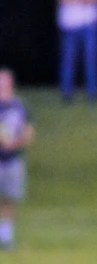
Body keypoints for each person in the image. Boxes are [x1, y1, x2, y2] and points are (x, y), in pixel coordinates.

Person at [0, 69, 34, 250]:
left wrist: (16, 143)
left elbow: (28, 130)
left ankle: (5, 238)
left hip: (13, 160)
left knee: (10, 199)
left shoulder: (19, 106)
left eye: (4, 82)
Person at [58, 0, 97, 103]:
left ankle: (92, 93)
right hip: (69, 24)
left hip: (89, 23)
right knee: (68, 61)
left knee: (91, 60)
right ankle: (66, 93)